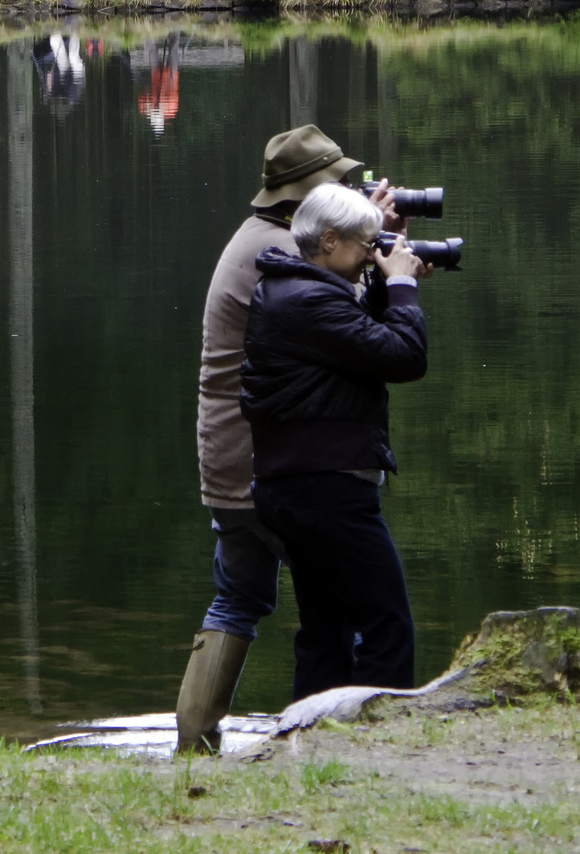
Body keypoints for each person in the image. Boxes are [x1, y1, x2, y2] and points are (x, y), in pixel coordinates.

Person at [174, 124, 403, 753]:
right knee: (346, 603)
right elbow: (357, 338)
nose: (351, 195)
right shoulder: (286, 257)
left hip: (229, 456)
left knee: (239, 597)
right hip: (279, 460)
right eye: (340, 189)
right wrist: (373, 248)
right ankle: (343, 737)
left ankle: (193, 745)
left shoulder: (261, 240)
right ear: (309, 201)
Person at [241, 183, 430, 702]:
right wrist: (403, 289)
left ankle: (313, 741)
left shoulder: (293, 290)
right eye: (365, 245)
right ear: (328, 240)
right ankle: (380, 740)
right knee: (388, 626)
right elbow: (402, 358)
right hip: (326, 489)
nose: (373, 254)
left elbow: (356, 342)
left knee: (325, 630)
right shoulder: (308, 300)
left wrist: (387, 283)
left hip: (296, 484)